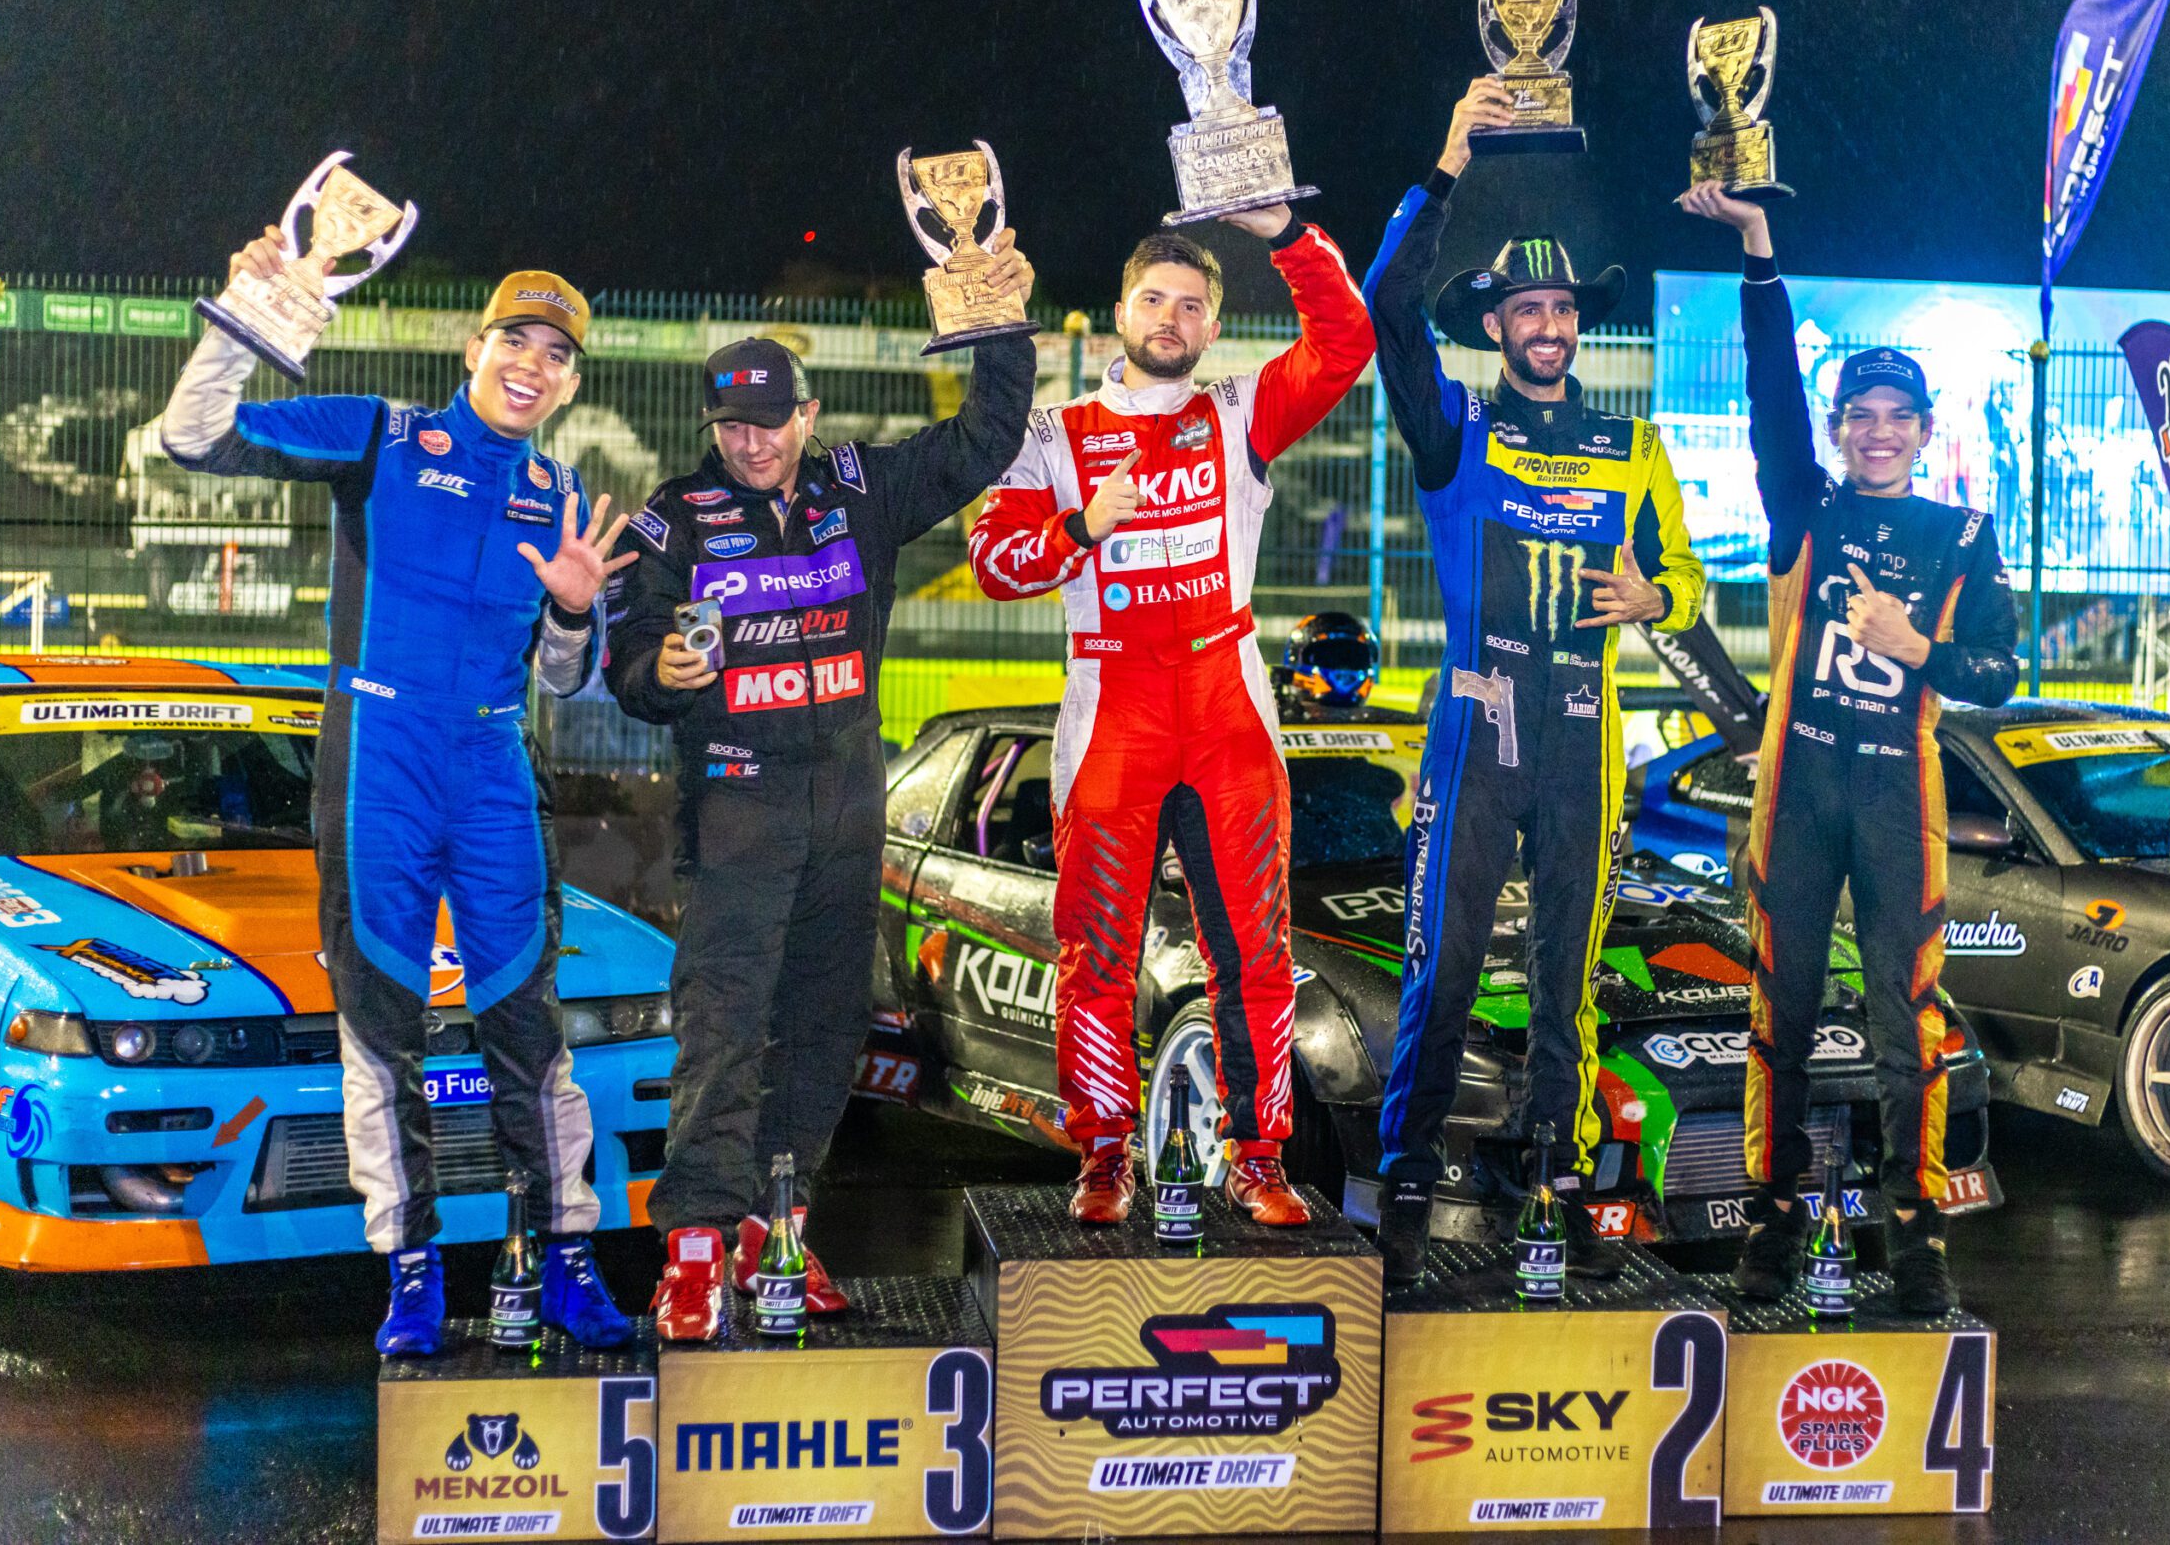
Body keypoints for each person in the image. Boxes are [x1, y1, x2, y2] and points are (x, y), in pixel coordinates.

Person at [165, 234, 638, 1356]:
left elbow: (564, 678)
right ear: (475, 347)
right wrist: (242, 323)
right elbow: (193, 436)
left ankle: (565, 1259)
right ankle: (410, 1272)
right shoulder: (382, 433)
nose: (531, 365)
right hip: (377, 755)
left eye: (556, 355)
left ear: (572, 384)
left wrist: (575, 610)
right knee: (383, 1024)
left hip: (493, 767)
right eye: (515, 340)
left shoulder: (560, 492)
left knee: (525, 1018)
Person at [605, 236, 1038, 1338]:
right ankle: (695, 1246)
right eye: (730, 425)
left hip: (849, 809)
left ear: (808, 413)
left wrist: (998, 326)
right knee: (723, 1028)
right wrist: (660, 671)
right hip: (737, 810)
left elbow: (985, 439)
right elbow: (629, 658)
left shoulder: (861, 487)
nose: (749, 442)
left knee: (828, 1030)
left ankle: (780, 1230)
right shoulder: (674, 517)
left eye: (768, 421)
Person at [1362, 77, 1707, 1286]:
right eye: (1525, 308)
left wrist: (1660, 601)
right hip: (1475, 725)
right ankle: (1406, 1176)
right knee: (1443, 966)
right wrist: (1446, 163)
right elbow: (1385, 303)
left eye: (1560, 308)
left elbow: (1686, 578)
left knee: (1569, 975)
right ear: (1497, 324)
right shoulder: (1454, 425)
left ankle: (1550, 1176)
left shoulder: (1636, 445)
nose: (1546, 324)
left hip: (1583, 737)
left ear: (1579, 325)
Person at [967, 207, 1374, 1226]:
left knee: (1256, 952)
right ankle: (1103, 1154)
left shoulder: (1242, 410)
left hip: (1228, 702)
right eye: (1153, 299)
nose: (1170, 317)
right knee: (1095, 953)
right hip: (1112, 706)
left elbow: (1345, 343)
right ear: (1120, 311)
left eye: (1191, 306)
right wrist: (1080, 525)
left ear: (1212, 327)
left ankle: (1258, 1156)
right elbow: (993, 563)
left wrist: (1287, 234)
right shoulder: (1049, 434)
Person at [1682, 179, 2019, 1315]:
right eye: (1859, 415)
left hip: (1894, 800)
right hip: (1798, 790)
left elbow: (1998, 671)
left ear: (1924, 431)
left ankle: (1915, 1235)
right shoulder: (1806, 505)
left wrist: (1915, 644)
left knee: (1903, 1024)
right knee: (1776, 1015)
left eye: (1897, 416)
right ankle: (1770, 1220)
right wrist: (1758, 247)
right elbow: (1769, 388)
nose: (1877, 431)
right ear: (1838, 431)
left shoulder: (1963, 533)